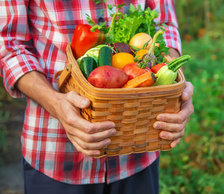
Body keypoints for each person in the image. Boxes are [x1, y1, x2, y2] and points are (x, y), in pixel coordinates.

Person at [0, 1, 194, 193]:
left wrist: (175, 87)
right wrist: (56, 104)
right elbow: (10, 46)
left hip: (140, 148)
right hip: (57, 152)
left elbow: (164, 26)